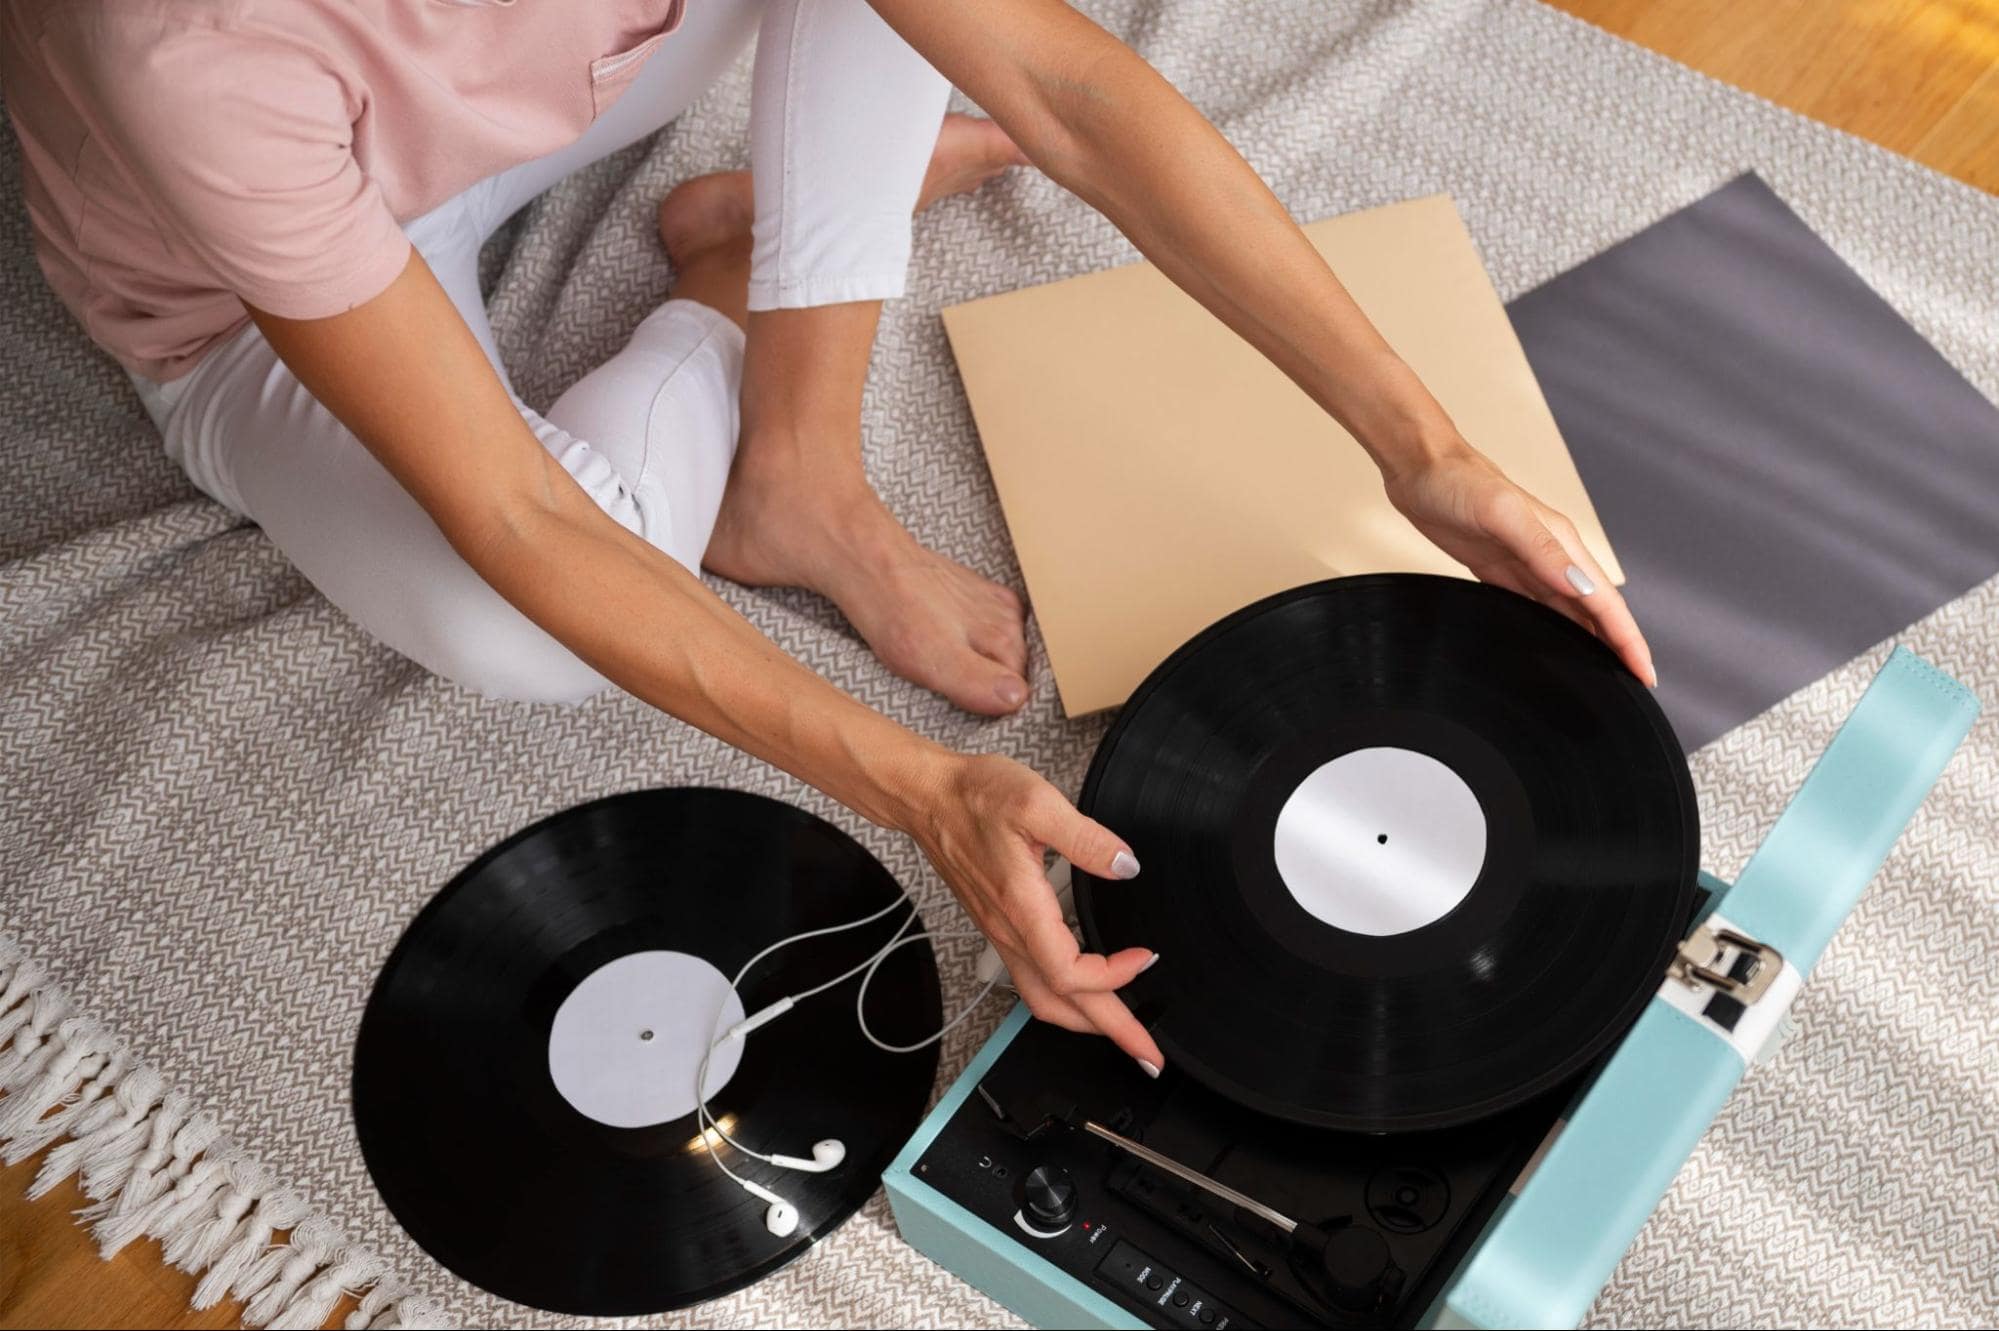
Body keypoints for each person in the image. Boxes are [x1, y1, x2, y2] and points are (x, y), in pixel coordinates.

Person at [2, 0, 1653, 1078]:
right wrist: (920, 787)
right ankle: (725, 285)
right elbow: (509, 512)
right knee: (515, 624)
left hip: (576, 86)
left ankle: (798, 464)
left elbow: (1069, 87)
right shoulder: (187, 47)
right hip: (237, 298)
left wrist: (1422, 449)